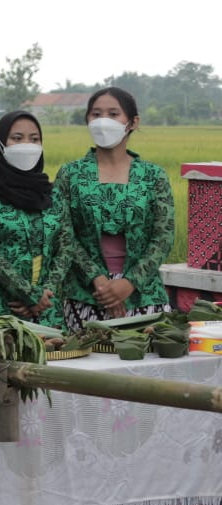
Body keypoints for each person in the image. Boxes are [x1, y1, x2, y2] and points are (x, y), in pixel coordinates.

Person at [54, 86, 173, 331]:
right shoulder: (71, 174)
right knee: (84, 364)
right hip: (85, 295)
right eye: (96, 114)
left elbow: (163, 237)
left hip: (143, 294)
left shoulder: (153, 176)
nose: (103, 121)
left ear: (132, 122)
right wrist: (98, 281)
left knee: (144, 362)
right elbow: (63, 234)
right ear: (87, 119)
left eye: (113, 114)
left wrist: (129, 283)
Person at [0, 111, 65, 327]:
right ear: (0, 143)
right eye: (17, 138)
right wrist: (28, 294)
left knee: (59, 358)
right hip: (0, 306)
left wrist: (43, 295)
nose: (27, 145)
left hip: (47, 309)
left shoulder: (53, 194)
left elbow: (65, 247)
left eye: (34, 139)